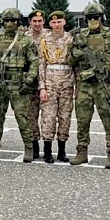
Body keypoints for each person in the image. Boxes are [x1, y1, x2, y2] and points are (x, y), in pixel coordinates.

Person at [69, 2, 110, 168]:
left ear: (102, 18)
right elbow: (70, 60)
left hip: (104, 86)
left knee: (109, 121)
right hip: (84, 87)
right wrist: (77, 54)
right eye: (89, 18)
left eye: (96, 17)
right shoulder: (79, 37)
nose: (93, 20)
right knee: (82, 121)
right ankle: (81, 152)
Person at [0, 8, 39, 162]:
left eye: (13, 21)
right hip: (0, 83)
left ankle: (29, 148)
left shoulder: (25, 40)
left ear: (18, 21)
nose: (10, 24)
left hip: (18, 84)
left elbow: (34, 62)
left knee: (23, 118)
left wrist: (28, 81)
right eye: (7, 20)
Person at [37, 11, 74, 163]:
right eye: (54, 22)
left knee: (65, 117)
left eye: (59, 22)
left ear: (64, 22)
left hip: (67, 82)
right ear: (50, 24)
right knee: (48, 117)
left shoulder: (71, 39)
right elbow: (41, 64)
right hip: (50, 82)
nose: (56, 25)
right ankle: (47, 151)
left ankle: (62, 151)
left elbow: (75, 63)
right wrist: (42, 87)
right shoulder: (44, 40)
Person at [26, 9, 49, 159]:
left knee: (48, 115)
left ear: (43, 22)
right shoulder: (24, 37)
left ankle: (48, 149)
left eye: (40, 21)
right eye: (34, 21)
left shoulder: (49, 35)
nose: (37, 24)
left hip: (48, 80)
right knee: (31, 116)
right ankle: (34, 146)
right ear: (30, 22)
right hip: (29, 81)